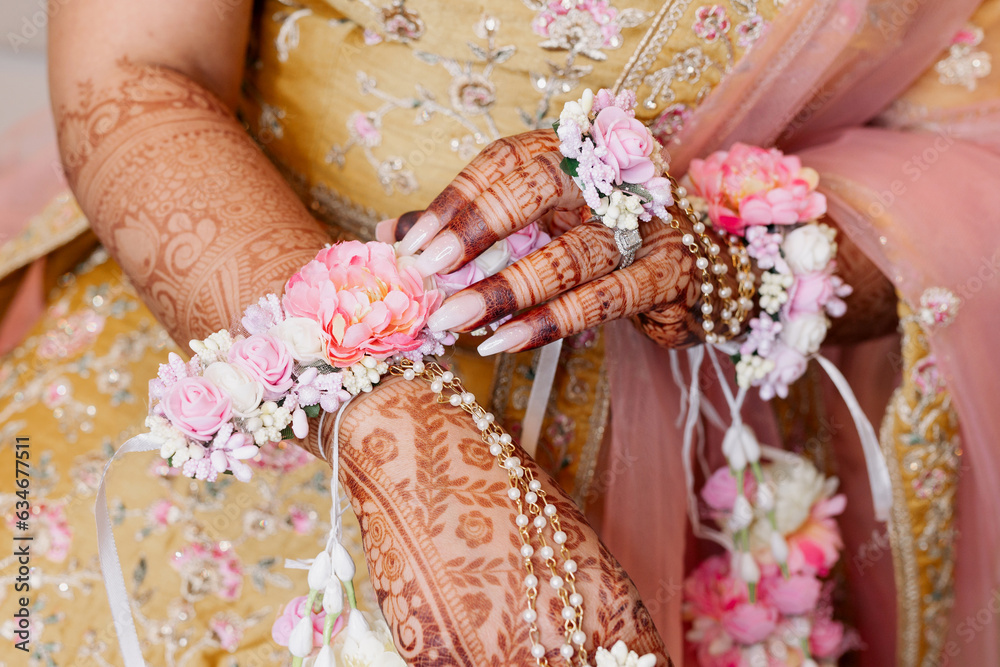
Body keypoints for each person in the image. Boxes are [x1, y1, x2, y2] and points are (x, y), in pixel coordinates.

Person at [0, 0, 996, 664]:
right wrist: (401, 439)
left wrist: (720, 251)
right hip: (224, 327)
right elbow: (137, 64)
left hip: (704, 469)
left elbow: (968, 164)